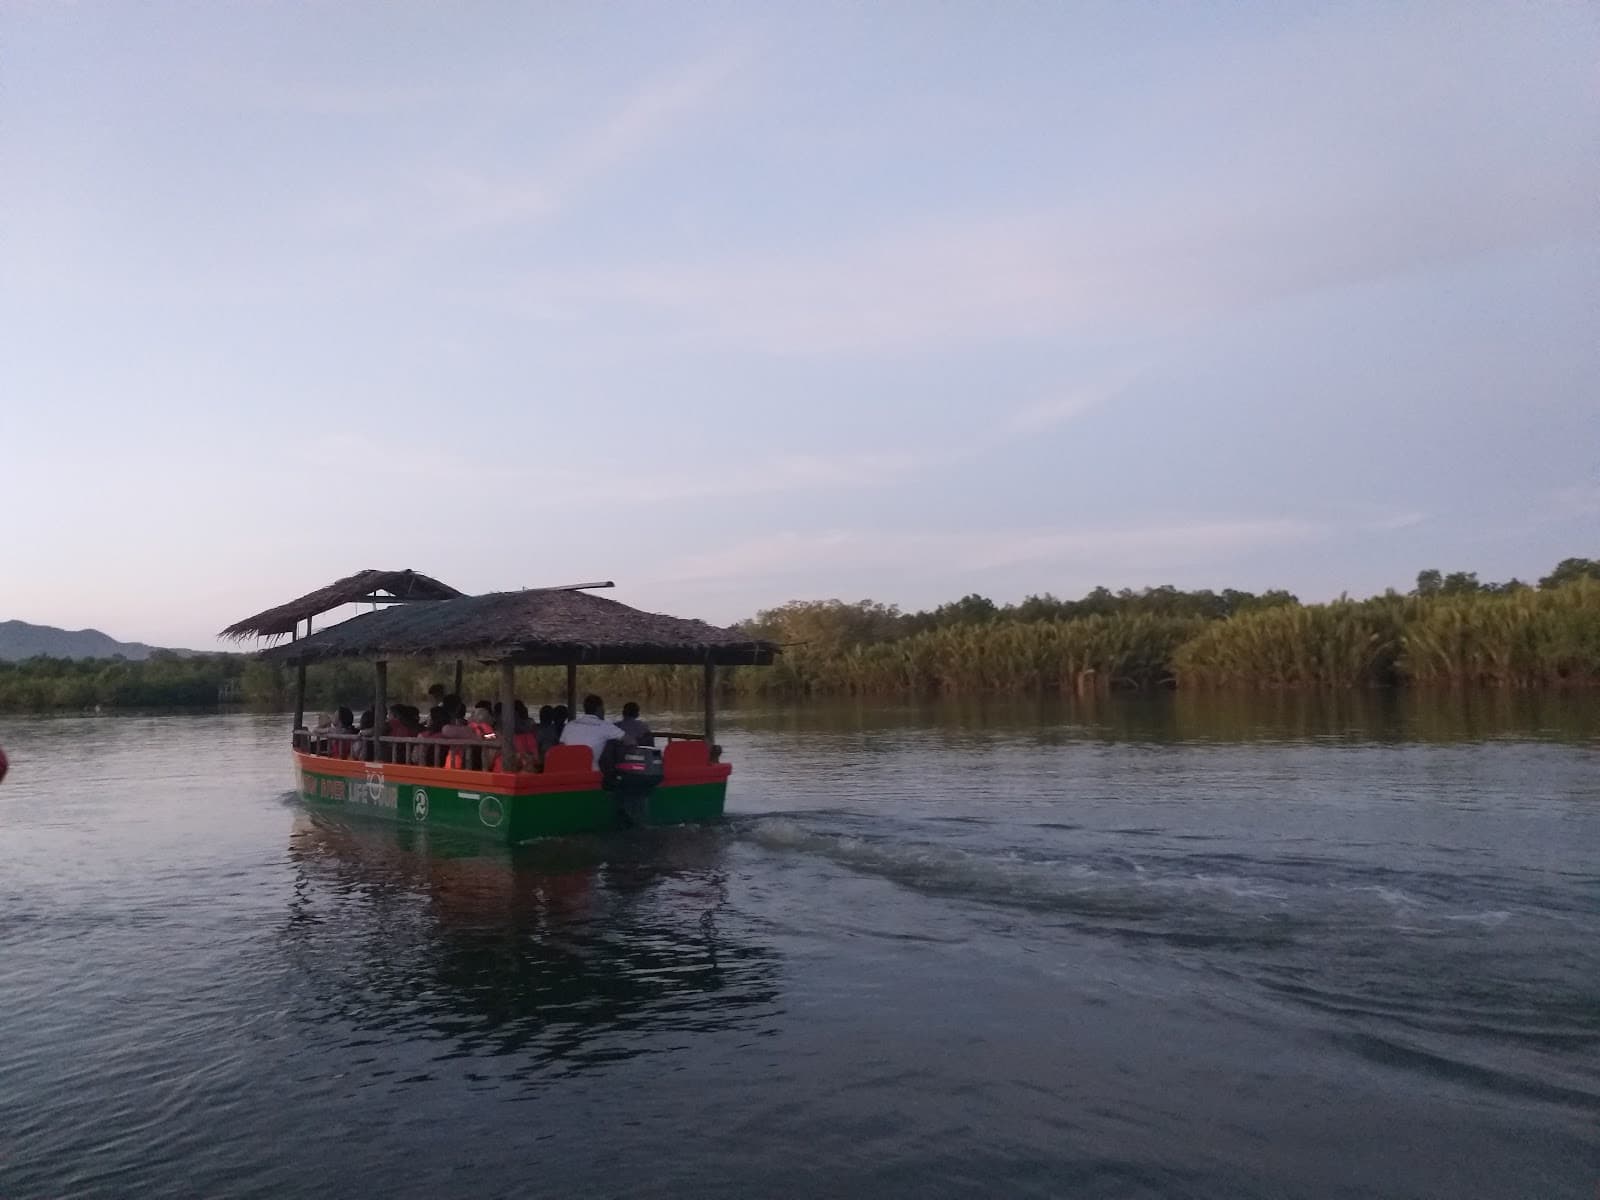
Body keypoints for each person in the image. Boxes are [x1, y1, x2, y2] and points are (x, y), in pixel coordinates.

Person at [559, 694, 624, 768]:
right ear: (599, 708)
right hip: (591, 773)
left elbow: (561, 747)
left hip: (569, 770)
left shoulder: (570, 725)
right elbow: (630, 740)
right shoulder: (605, 726)